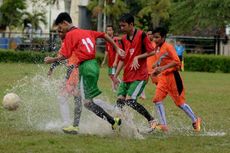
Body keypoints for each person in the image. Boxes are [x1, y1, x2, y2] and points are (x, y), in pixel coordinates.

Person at [44, 12, 125, 131]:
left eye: (61, 28)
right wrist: (117, 48)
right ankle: (78, 126)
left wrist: (52, 59)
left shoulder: (70, 34)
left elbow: (65, 55)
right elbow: (104, 35)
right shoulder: (86, 31)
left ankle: (111, 121)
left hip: (85, 67)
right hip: (93, 66)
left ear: (65, 23)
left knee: (86, 102)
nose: (61, 31)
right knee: (81, 98)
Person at [112, 13, 157, 131]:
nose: (121, 28)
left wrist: (138, 57)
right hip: (127, 76)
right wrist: (115, 76)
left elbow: (152, 52)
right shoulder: (123, 39)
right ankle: (122, 125)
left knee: (130, 101)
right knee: (120, 102)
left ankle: (151, 120)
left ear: (131, 25)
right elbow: (122, 59)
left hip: (140, 76)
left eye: (124, 26)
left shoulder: (142, 35)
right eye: (120, 26)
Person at [151, 27, 201, 132]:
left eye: (157, 37)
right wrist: (156, 67)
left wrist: (162, 68)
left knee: (180, 103)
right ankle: (164, 125)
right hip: (163, 77)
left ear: (163, 37)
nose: (155, 40)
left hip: (173, 77)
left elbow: (177, 61)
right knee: (157, 99)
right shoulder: (157, 47)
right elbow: (162, 59)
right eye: (154, 37)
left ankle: (195, 120)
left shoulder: (168, 47)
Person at [47, 29, 82, 134]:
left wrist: (66, 79)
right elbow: (61, 58)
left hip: (75, 72)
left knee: (63, 97)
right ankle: (112, 109)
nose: (59, 34)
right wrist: (51, 69)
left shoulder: (69, 42)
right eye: (59, 32)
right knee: (85, 100)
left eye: (62, 32)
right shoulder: (65, 43)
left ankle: (67, 123)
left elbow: (69, 60)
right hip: (74, 72)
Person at [101, 25, 119, 91]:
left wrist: (115, 61)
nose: (108, 31)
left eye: (110, 30)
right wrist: (104, 60)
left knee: (113, 75)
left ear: (112, 31)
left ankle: (116, 88)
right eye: (107, 30)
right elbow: (106, 51)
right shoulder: (107, 40)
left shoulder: (115, 40)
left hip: (114, 61)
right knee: (111, 74)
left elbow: (118, 51)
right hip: (110, 61)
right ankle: (117, 86)